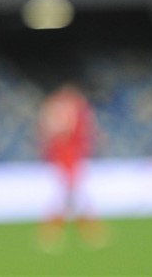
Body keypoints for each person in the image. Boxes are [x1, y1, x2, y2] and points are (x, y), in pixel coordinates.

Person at [36, 83, 105, 251]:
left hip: (70, 157)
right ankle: (56, 232)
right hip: (66, 157)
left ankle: (59, 232)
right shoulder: (66, 109)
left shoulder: (67, 109)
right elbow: (57, 131)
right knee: (70, 197)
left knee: (72, 198)